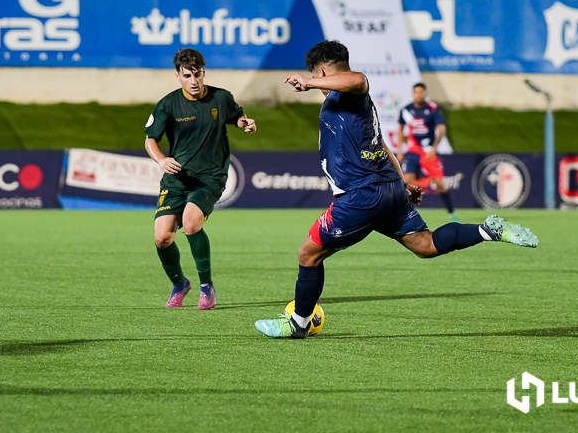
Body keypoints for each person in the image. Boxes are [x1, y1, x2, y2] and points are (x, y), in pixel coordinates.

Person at [253, 40, 538, 339]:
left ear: (322, 71)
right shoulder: (350, 102)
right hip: (387, 189)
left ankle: (298, 322)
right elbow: (382, 145)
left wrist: (309, 83)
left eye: (316, 74)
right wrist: (402, 182)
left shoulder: (350, 91)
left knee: (308, 254)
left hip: (360, 196)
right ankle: (487, 230)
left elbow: (358, 79)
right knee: (425, 245)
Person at [144, 48, 256, 309]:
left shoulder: (221, 97)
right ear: (178, 76)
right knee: (162, 238)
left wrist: (244, 123)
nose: (193, 81)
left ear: (203, 72)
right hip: (177, 179)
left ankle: (207, 287)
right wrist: (161, 159)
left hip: (210, 176)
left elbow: (237, 117)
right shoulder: (168, 104)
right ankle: (180, 284)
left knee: (191, 223)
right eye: (187, 75)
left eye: (197, 74)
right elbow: (150, 139)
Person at [397, 82, 458, 221]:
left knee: (439, 183)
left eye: (421, 92)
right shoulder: (406, 110)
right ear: (413, 94)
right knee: (408, 181)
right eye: (416, 92)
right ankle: (408, 214)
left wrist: (435, 148)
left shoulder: (433, 109)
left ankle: (452, 212)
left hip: (428, 151)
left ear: (425, 93)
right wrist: (400, 150)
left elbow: (441, 129)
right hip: (412, 151)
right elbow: (400, 129)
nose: (418, 95)